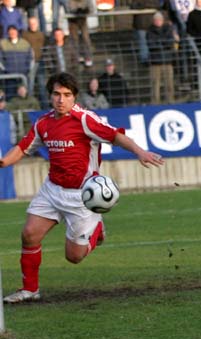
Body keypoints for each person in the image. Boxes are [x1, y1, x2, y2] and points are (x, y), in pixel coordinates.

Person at [1, 72, 165, 304]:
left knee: (74, 257)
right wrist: (3, 162)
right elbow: (22, 148)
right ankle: (29, 290)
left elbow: (115, 136)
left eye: (67, 95)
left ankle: (97, 229)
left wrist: (140, 152)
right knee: (29, 234)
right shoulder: (43, 123)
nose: (61, 99)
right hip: (52, 189)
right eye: (56, 94)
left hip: (82, 196)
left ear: (74, 97)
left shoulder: (85, 120)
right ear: (50, 96)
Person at [147, 11, 176, 104]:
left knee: (169, 83)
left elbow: (171, 42)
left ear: (163, 20)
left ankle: (170, 101)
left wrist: (159, 43)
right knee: (155, 83)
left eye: (159, 20)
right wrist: (164, 43)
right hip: (155, 62)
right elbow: (151, 45)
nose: (158, 21)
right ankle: (155, 103)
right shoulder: (150, 31)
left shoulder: (168, 29)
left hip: (167, 60)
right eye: (156, 20)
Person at [0, 25, 33, 98]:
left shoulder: (25, 43)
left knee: (24, 96)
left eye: (14, 31)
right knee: (10, 96)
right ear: (8, 33)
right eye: (10, 32)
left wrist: (27, 69)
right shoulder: (2, 44)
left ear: (17, 32)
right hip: (9, 76)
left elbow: (30, 58)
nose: (12, 33)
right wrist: (5, 70)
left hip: (23, 75)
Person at [22, 16, 48, 107]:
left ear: (37, 24)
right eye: (31, 23)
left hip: (40, 62)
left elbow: (45, 47)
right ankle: (30, 105)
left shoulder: (41, 35)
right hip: (30, 63)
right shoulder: (25, 35)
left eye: (34, 23)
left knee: (42, 85)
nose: (32, 25)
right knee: (30, 85)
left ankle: (45, 105)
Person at [131, 0, 162, 65]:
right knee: (143, 43)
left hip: (152, 25)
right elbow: (133, 6)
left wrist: (143, 5)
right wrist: (146, 5)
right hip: (141, 25)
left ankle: (154, 59)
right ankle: (145, 60)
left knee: (153, 43)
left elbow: (158, 5)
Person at [67, 0, 94, 67]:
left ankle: (88, 58)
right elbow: (69, 9)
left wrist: (85, 11)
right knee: (74, 39)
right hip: (73, 21)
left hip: (83, 20)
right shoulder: (70, 1)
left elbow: (91, 9)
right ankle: (76, 58)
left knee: (86, 39)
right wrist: (76, 11)